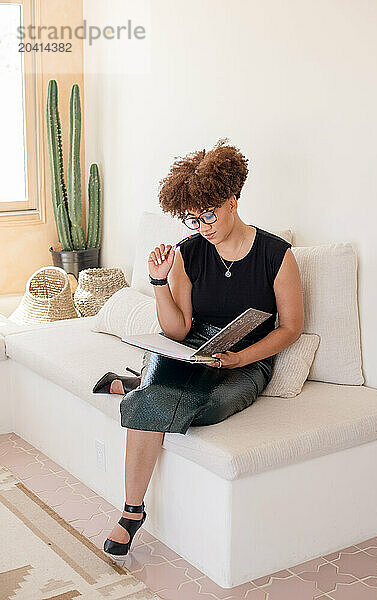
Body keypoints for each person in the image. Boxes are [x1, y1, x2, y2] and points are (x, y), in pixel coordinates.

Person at [99, 138, 304, 558]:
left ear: (232, 199)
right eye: (193, 219)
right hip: (190, 349)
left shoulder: (277, 256)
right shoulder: (190, 252)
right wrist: (160, 280)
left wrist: (241, 358)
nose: (203, 226)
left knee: (202, 410)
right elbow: (177, 330)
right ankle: (132, 512)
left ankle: (134, 383)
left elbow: (292, 328)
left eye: (209, 214)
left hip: (245, 361)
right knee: (152, 398)